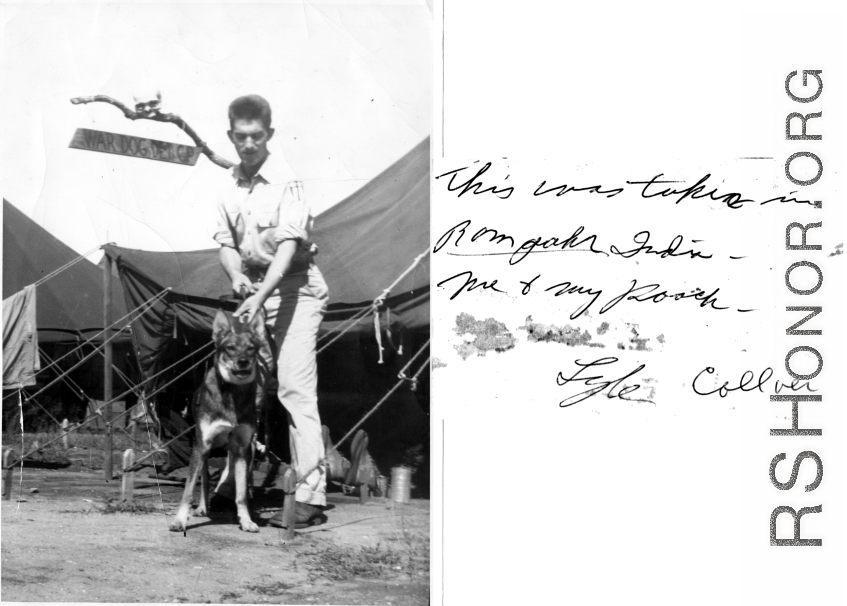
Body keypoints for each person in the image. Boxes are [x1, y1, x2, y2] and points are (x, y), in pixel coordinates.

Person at [211, 94, 328, 528]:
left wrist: (260, 297)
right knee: (244, 392)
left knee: (294, 390)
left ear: (270, 135)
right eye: (240, 137)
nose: (248, 145)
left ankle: (310, 495)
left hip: (295, 288)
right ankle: (230, 486)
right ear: (231, 136)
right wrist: (238, 279)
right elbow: (225, 244)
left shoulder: (288, 182)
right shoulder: (226, 184)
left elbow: (289, 246)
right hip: (254, 291)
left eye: (256, 136)